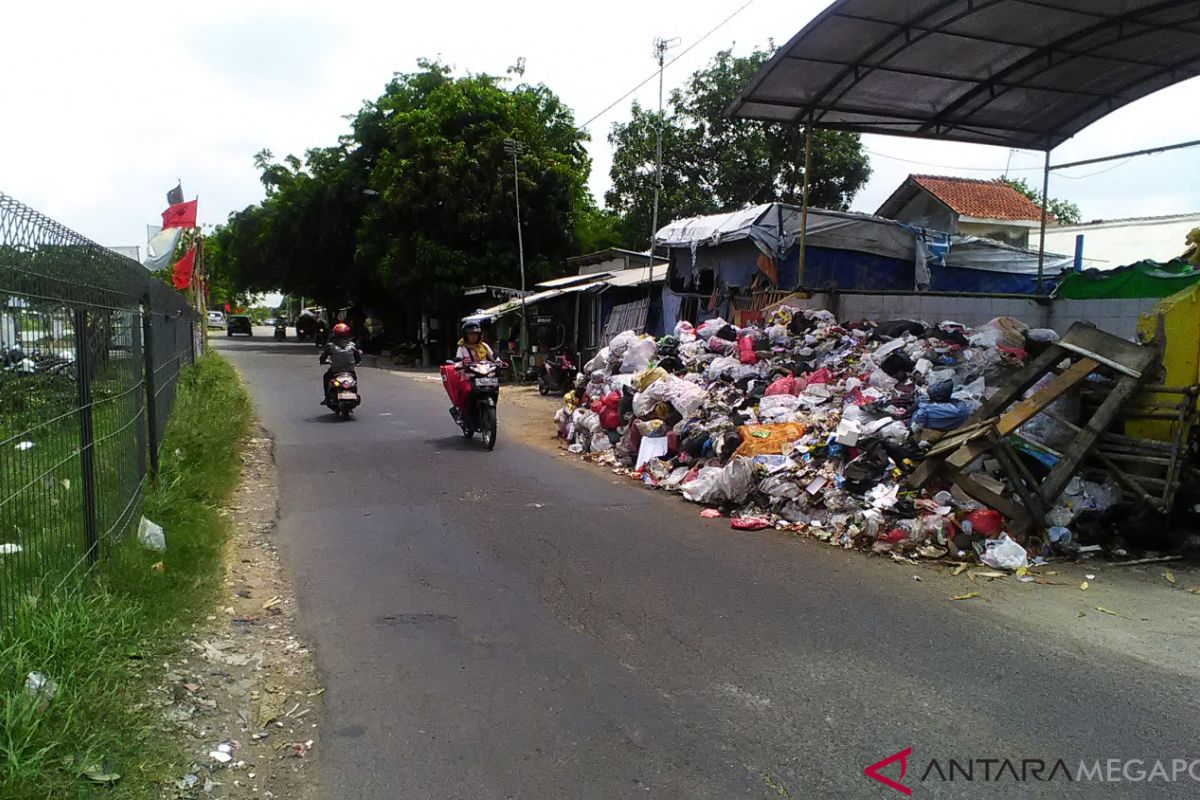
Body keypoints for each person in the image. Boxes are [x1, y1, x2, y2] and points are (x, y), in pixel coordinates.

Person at [319, 322, 362, 404]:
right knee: (354, 380)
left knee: (326, 377)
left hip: (335, 371)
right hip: (350, 371)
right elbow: (358, 358)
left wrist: (322, 361)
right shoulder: (352, 345)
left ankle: (326, 397)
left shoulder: (330, 346)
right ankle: (354, 393)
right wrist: (357, 362)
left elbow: (323, 357)